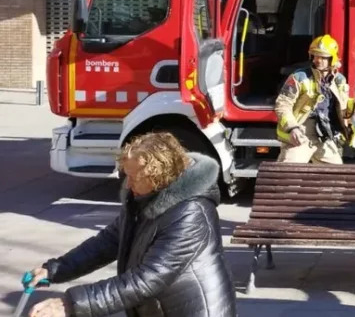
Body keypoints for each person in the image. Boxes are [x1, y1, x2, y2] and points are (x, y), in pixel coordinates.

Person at [27, 132, 235, 317]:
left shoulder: (191, 213)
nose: (128, 183)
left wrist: (69, 304)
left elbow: (148, 279)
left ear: (160, 178)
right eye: (127, 175)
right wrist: (55, 270)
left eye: (136, 177)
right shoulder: (141, 199)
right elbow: (108, 242)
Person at [275, 34, 355, 163]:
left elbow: (344, 106)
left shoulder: (339, 80)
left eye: (323, 57)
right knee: (288, 175)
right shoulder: (299, 77)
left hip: (324, 136)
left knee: (336, 178)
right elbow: (282, 104)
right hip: (301, 134)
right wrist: (292, 128)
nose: (318, 60)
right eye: (315, 56)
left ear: (332, 59)